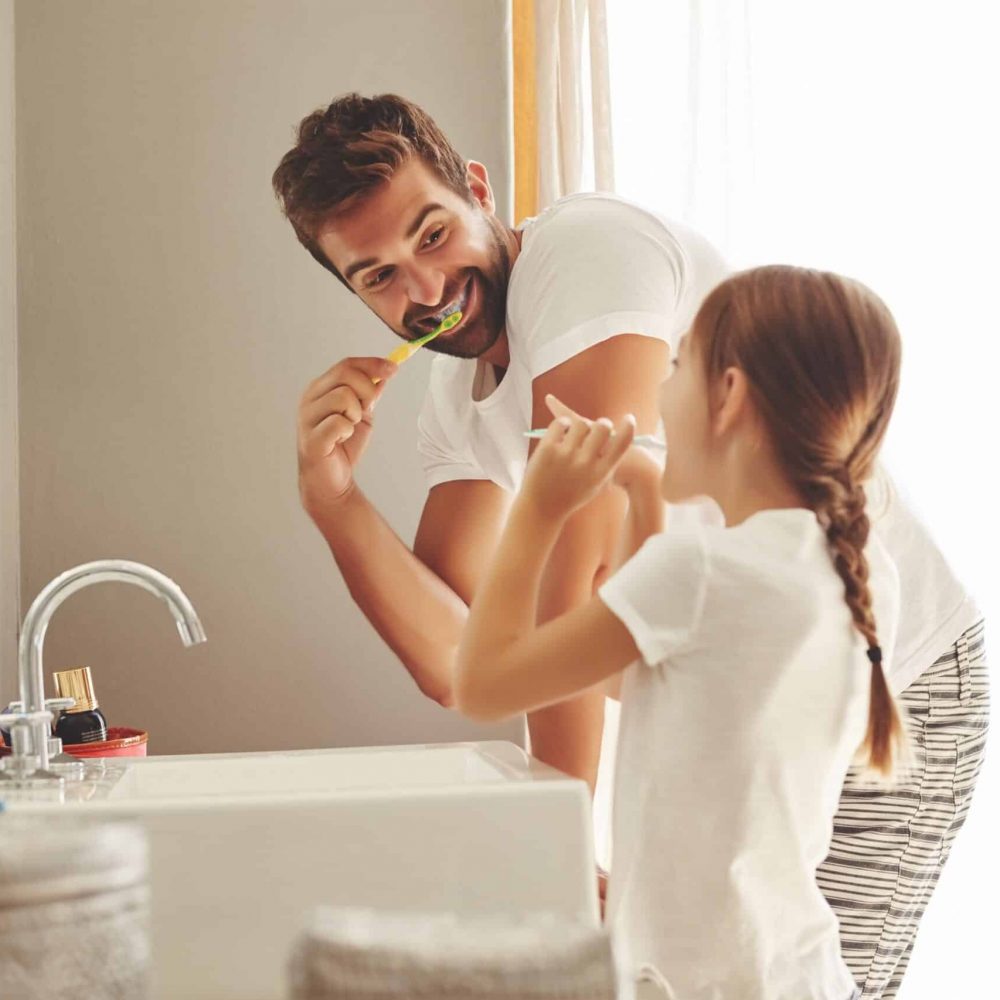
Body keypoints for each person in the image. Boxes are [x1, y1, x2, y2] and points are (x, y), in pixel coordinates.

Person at [272, 94, 988, 998]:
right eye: (376, 276)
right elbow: (468, 664)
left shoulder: (583, 256)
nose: (424, 291)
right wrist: (332, 500)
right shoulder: (458, 405)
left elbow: (567, 601)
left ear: (479, 191)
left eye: (432, 235)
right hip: (745, 677)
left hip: (897, 670)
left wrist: (558, 872)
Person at [454, 264, 906, 999]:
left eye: (676, 364)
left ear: (727, 395)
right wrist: (636, 490)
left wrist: (538, 509)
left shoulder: (700, 571)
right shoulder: (853, 570)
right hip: (797, 974)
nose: (660, 394)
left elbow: (480, 684)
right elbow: (653, 678)